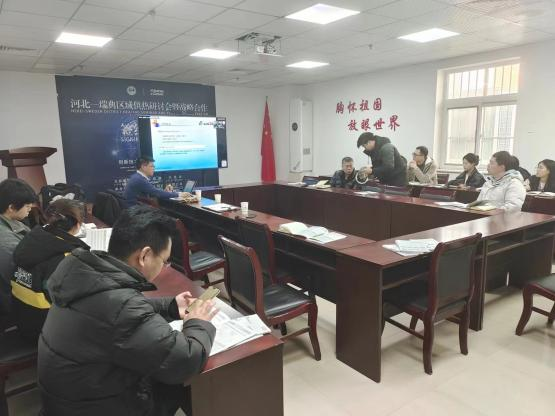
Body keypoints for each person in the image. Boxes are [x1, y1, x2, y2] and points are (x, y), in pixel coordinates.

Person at [38, 206, 218, 416]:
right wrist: (198, 322)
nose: (164, 267)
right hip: (96, 406)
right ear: (144, 256)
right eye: (164, 261)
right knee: (178, 385)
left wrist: (169, 306)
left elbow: (111, 316)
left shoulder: (83, 272)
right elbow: (184, 360)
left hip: (67, 400)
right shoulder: (121, 306)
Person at [12, 199, 90, 341]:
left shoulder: (31, 239)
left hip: (21, 318)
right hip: (44, 330)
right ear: (78, 224)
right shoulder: (65, 256)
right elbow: (70, 299)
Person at [0, 178, 37, 316]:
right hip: (15, 298)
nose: (30, 208)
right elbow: (21, 277)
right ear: (11, 207)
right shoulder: (5, 241)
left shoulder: (11, 220)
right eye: (27, 206)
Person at [123, 156, 189, 206]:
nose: (154, 168)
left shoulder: (137, 177)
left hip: (135, 209)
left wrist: (164, 192)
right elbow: (156, 193)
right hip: (136, 212)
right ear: (143, 167)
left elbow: (153, 192)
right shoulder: (139, 179)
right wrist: (179, 194)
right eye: (152, 166)